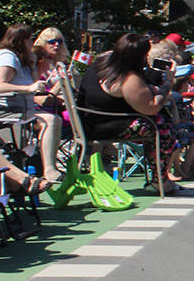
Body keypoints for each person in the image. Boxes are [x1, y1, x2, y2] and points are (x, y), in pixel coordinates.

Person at [77, 33, 182, 194]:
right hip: (106, 125)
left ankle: (157, 175)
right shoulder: (128, 77)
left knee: (154, 121)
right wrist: (168, 82)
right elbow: (151, 107)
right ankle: (159, 179)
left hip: (87, 120)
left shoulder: (103, 62)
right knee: (162, 124)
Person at [0, 23, 63, 185]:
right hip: (0, 109)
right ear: (22, 40)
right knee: (50, 120)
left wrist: (32, 66)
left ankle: (48, 168)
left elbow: (35, 85)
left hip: (19, 110)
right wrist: (28, 88)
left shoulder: (20, 59)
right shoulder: (7, 57)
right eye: (30, 39)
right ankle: (49, 169)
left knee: (55, 119)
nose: (32, 43)